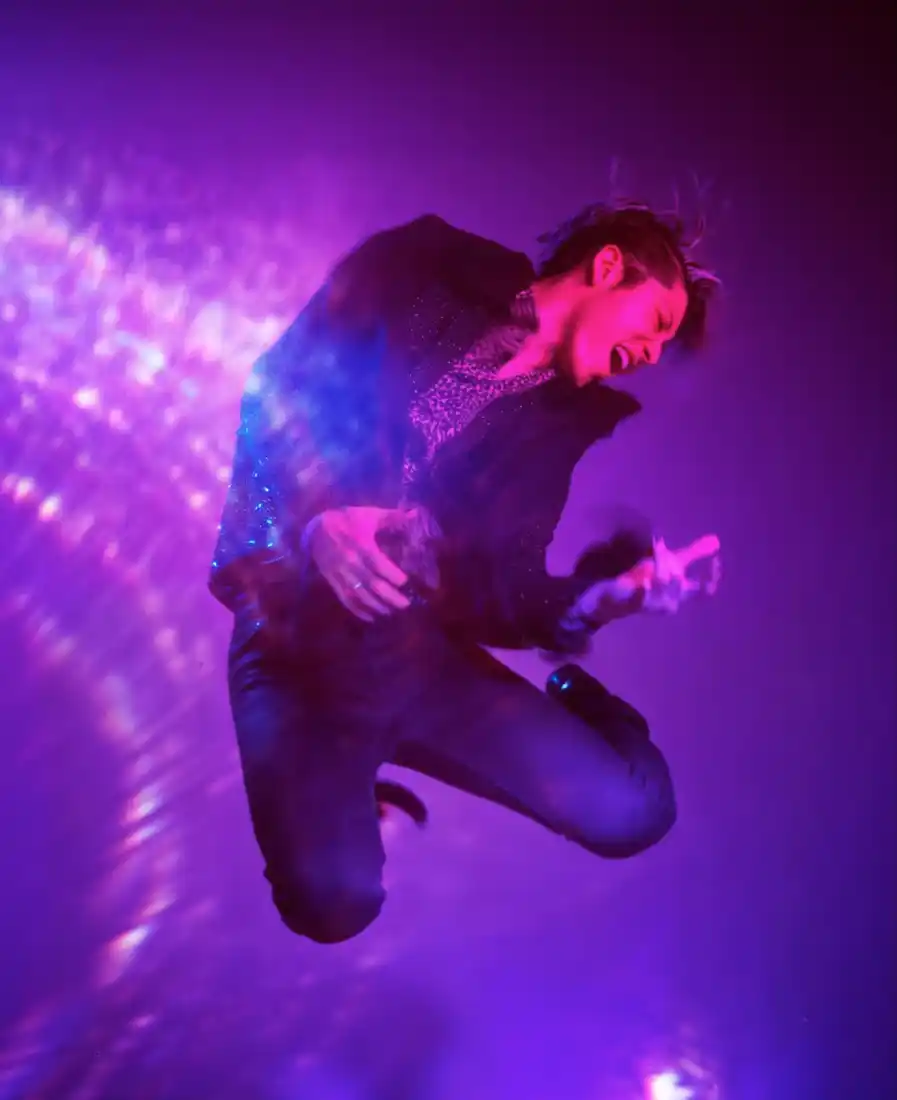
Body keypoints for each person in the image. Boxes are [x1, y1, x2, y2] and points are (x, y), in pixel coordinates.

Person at [211, 202, 722, 944]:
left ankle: (570, 699)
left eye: (662, 345)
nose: (649, 353)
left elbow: (499, 587)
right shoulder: (425, 269)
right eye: (655, 322)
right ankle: (342, 785)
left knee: (635, 812)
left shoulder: (554, 429)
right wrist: (316, 526)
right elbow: (282, 388)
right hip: (292, 648)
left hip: (414, 662)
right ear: (608, 267)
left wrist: (599, 600)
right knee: (332, 903)